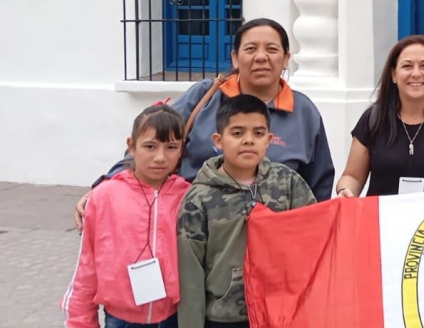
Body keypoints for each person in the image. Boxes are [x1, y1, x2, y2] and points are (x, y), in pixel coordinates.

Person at [75, 18, 335, 231]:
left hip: (272, 237)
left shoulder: (304, 112)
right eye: (250, 49)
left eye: (272, 49)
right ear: (235, 58)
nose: (261, 57)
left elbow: (319, 185)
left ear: (286, 58)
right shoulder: (205, 96)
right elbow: (151, 141)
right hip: (192, 230)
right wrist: (106, 185)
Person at [177, 95, 316, 328]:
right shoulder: (198, 199)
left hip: (280, 311)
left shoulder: (287, 183)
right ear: (218, 140)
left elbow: (314, 235)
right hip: (225, 318)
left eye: (258, 133)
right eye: (237, 133)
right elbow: (190, 273)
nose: (249, 140)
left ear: (269, 140)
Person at [62, 105, 191, 328]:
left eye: (171, 147)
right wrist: (80, 321)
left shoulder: (188, 196)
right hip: (121, 320)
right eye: (150, 146)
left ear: (181, 149)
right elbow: (87, 266)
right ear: (131, 146)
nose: (160, 157)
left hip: (175, 317)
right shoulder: (105, 196)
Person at [336, 36, 424, 197]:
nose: (416, 73)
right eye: (407, 66)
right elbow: (353, 176)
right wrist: (345, 190)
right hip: (382, 214)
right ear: (393, 74)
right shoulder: (373, 120)